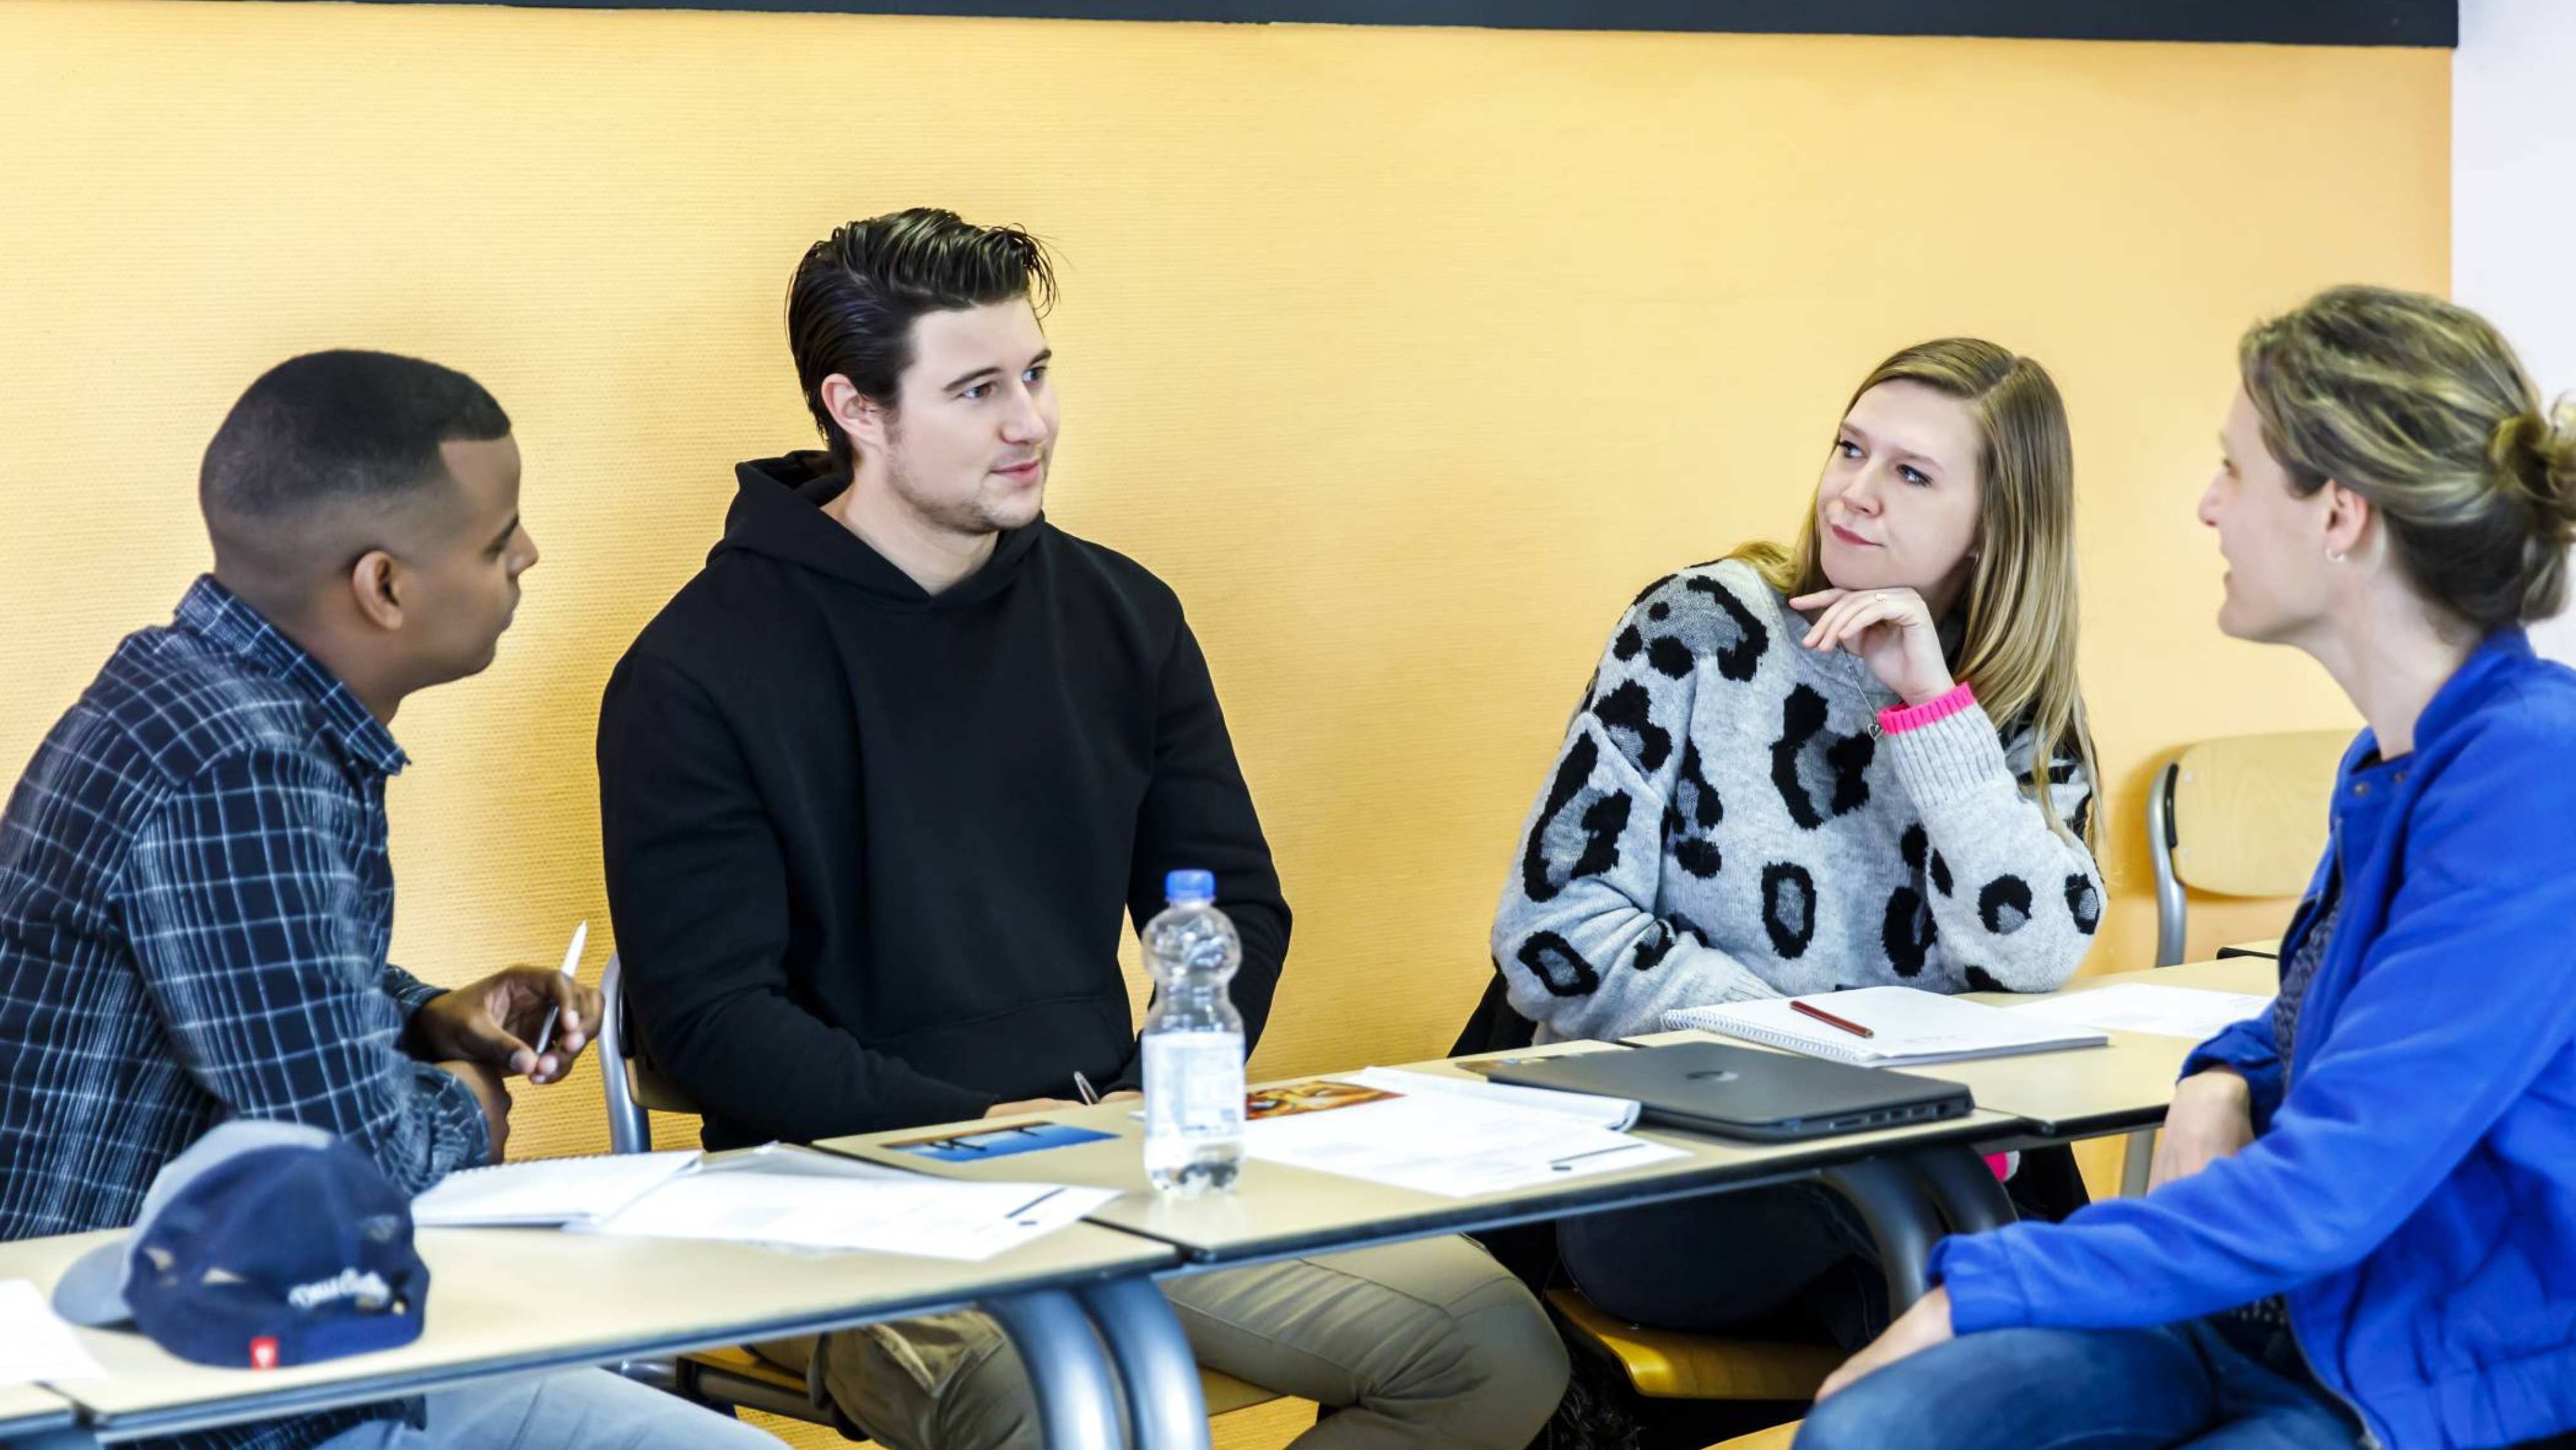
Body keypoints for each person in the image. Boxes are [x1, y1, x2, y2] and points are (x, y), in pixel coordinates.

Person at [597, 208, 1567, 1450]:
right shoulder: (697, 672)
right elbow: (712, 1021)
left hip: (1115, 1156)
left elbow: (1230, 906)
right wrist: (986, 1138)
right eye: (979, 389)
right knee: (1058, 1408)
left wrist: (1150, 1092)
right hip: (835, 1197)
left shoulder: (1120, 615)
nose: (1032, 422)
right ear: (857, 409)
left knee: (1486, 1350)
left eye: (1038, 374)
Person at [1801, 286, 2576, 1450]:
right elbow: (2333, 1007)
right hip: (2253, 1320)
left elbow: (2338, 1179)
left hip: (2395, 1377)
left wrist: (1984, 1289)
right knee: (1875, 1430)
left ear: (2340, 516)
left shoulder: (2531, 780)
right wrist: (2223, 1070)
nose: (2209, 508)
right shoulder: (2399, 754)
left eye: (2235, 471)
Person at [0, 351, 781, 1450]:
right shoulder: (237, 763)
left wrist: (429, 1015)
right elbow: (359, 1157)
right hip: (158, 1391)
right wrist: (470, 1103)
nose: (530, 554)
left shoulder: (212, 699)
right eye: (497, 537)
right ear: (385, 587)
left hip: (241, 1341)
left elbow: (258, 1004)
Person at [1490, 338, 2105, 1350]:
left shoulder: (2011, 698)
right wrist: (1817, 1057)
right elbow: (1557, 932)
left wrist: (1931, 707)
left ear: (1995, 531)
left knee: (1979, 1315)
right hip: (1676, 1166)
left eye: (1910, 474)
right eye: (1849, 448)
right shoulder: (1695, 625)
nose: (1854, 493)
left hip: (1929, 1163)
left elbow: (2035, 955)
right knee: (1977, 1275)